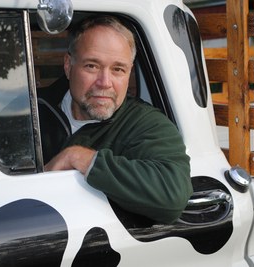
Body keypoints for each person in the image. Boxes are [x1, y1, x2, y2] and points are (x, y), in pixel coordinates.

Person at [44, 15, 193, 224]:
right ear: (69, 66)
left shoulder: (145, 124)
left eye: (118, 69)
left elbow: (173, 193)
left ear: (129, 72)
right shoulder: (33, 108)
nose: (105, 82)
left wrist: (81, 158)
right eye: (92, 66)